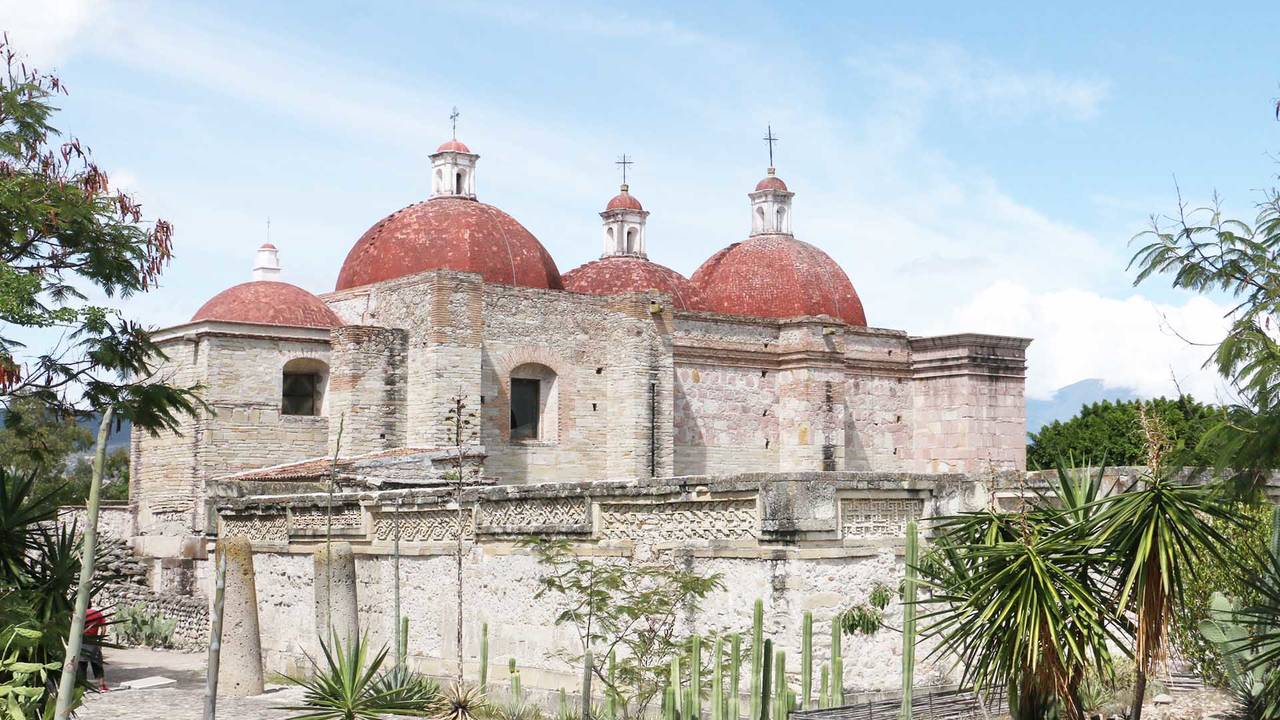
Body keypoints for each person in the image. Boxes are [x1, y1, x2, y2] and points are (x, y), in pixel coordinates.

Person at [79, 607, 108, 692]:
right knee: (97, 664)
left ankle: (83, 688)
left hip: (81, 641)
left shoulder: (79, 613)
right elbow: (104, 628)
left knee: (81, 665)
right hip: (94, 641)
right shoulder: (97, 613)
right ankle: (101, 686)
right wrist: (100, 640)